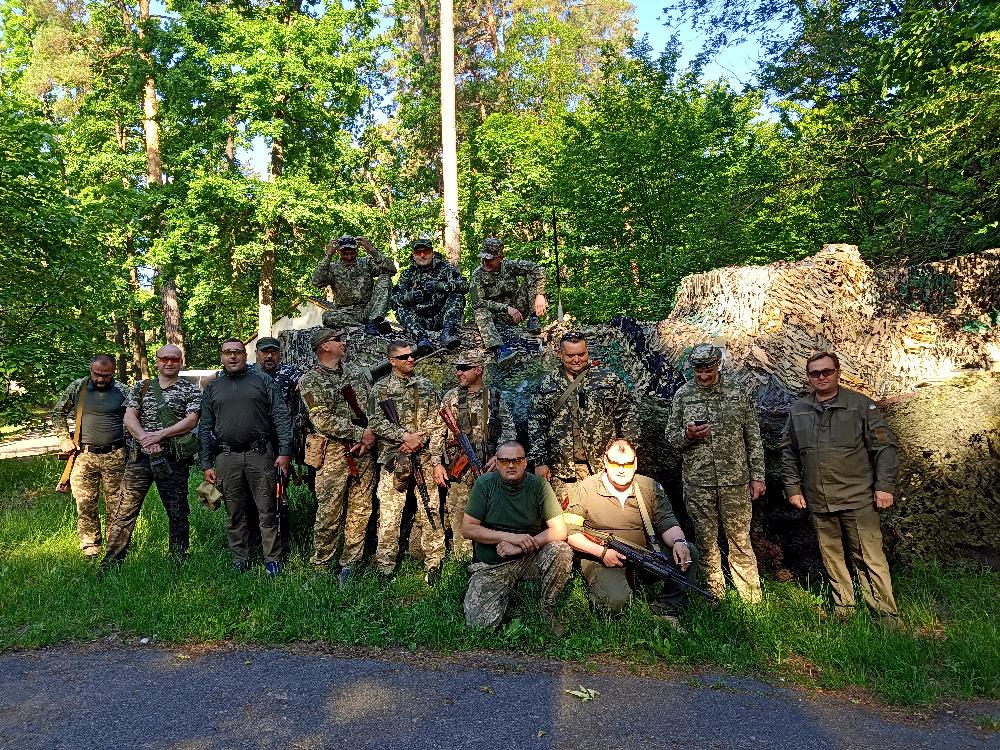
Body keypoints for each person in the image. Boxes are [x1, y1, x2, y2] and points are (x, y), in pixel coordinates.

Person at [780, 351, 901, 623]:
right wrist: (793, 488)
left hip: (858, 498)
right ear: (808, 377)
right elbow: (788, 453)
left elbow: (885, 448)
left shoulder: (861, 406)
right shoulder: (799, 410)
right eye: (815, 373)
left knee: (869, 557)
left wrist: (884, 487)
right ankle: (844, 609)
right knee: (831, 556)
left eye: (827, 372)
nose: (821, 377)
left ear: (838, 372)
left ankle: (885, 615)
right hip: (818, 499)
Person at [667, 343, 766, 603]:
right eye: (698, 371)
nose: (703, 376)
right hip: (698, 483)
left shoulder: (738, 392)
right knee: (706, 542)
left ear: (718, 365)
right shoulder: (683, 395)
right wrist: (687, 435)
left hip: (735, 481)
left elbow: (753, 437)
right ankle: (713, 594)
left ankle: (751, 598)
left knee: (740, 541)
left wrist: (758, 476)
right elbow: (671, 437)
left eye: (708, 370)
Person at [565, 439, 697, 629]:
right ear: (605, 462)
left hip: (642, 555)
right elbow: (570, 532)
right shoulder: (586, 489)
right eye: (615, 463)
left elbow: (667, 522)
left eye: (627, 464)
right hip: (603, 559)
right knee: (614, 604)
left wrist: (678, 542)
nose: (621, 469)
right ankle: (616, 591)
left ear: (635, 463)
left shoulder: (649, 487)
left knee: (688, 552)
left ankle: (665, 609)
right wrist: (601, 553)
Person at [198, 339, 293, 575]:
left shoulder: (263, 381)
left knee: (267, 508)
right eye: (227, 352)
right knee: (234, 511)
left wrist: (284, 452)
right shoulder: (213, 387)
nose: (233, 357)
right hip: (226, 456)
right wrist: (206, 462)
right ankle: (240, 557)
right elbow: (204, 426)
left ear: (245, 355)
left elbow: (280, 416)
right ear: (221, 356)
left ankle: (272, 558)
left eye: (237, 352)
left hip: (260, 454)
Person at [103, 345, 201, 566]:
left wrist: (160, 435)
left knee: (178, 513)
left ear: (181, 362)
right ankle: (111, 563)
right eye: (164, 358)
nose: (169, 362)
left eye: (174, 359)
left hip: (173, 460)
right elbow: (129, 417)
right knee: (124, 512)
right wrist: (146, 440)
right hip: (140, 460)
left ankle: (178, 561)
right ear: (157, 361)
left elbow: (192, 420)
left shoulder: (190, 389)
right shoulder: (141, 387)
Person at [462, 440, 573, 633]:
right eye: (505, 461)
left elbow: (560, 529)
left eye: (516, 460)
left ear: (525, 462)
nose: (511, 465)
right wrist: (511, 537)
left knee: (561, 550)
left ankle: (546, 610)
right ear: (496, 463)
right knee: (478, 627)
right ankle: (510, 596)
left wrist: (521, 546)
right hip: (493, 563)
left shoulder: (538, 485)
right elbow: (468, 529)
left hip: (527, 558)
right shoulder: (484, 485)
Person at [298, 327, 377, 586]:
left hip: (362, 452)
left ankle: (350, 563)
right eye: (338, 340)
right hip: (333, 452)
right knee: (329, 510)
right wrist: (359, 434)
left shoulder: (355, 373)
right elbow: (320, 419)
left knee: (360, 509)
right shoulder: (310, 381)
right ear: (324, 347)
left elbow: (372, 407)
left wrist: (368, 437)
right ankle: (321, 563)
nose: (343, 343)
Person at [527, 331, 639, 508]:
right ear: (560, 354)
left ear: (588, 351)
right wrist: (540, 462)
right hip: (563, 471)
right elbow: (536, 423)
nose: (577, 359)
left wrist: (627, 450)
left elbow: (627, 415)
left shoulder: (608, 380)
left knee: (604, 517)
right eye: (571, 355)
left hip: (604, 468)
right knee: (567, 522)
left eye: (581, 354)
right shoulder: (548, 383)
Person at [367, 339, 446, 583]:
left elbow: (438, 420)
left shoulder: (426, 386)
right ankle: (385, 565)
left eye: (411, 355)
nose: (410, 359)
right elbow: (376, 421)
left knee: (430, 509)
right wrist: (404, 437)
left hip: (423, 457)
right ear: (392, 362)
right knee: (390, 513)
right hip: (394, 458)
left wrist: (420, 441)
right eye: (404, 357)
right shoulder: (380, 389)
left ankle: (434, 561)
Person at [430, 350, 516, 557]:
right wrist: (436, 462)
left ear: (479, 370)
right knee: (460, 517)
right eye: (457, 368)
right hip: (459, 471)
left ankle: (491, 559)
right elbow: (437, 431)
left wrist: (500, 456)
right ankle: (462, 562)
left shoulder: (494, 397)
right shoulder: (450, 397)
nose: (459, 372)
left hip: (489, 468)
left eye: (464, 368)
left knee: (493, 516)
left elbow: (509, 429)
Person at [52, 355, 129, 558]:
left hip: (116, 455)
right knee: (85, 503)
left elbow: (136, 416)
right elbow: (58, 413)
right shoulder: (78, 387)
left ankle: (115, 548)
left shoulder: (123, 390)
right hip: (84, 456)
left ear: (113, 372)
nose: (101, 379)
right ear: (90, 370)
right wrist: (63, 438)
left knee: (117, 504)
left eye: (106, 375)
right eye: (97, 374)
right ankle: (90, 547)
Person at [469, 238, 548, 362]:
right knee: (480, 311)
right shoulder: (477, 275)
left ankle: (533, 319)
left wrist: (540, 295)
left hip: (516, 311)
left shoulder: (509, 265)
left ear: (500, 258)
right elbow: (477, 302)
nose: (485, 263)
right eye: (483, 258)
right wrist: (506, 308)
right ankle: (500, 349)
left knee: (532, 277)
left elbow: (538, 269)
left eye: (490, 259)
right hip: (494, 317)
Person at [390, 237, 468, 355]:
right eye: (418, 253)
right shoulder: (408, 274)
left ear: (432, 253)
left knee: (457, 296)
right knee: (402, 308)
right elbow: (393, 301)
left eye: (426, 252)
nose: (422, 255)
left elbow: (464, 285)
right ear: (413, 255)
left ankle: (448, 333)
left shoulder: (444, 268)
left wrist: (441, 286)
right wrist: (408, 297)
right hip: (419, 320)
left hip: (442, 317)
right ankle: (421, 339)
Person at [311, 235, 397, 335]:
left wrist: (371, 249)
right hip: (345, 313)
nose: (349, 257)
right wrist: (328, 255)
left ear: (357, 251)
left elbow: (391, 270)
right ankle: (365, 328)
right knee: (327, 316)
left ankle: (373, 322)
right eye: (345, 254)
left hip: (368, 310)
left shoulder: (366, 262)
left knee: (385, 278)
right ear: (338, 251)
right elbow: (316, 282)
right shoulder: (333, 268)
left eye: (352, 253)